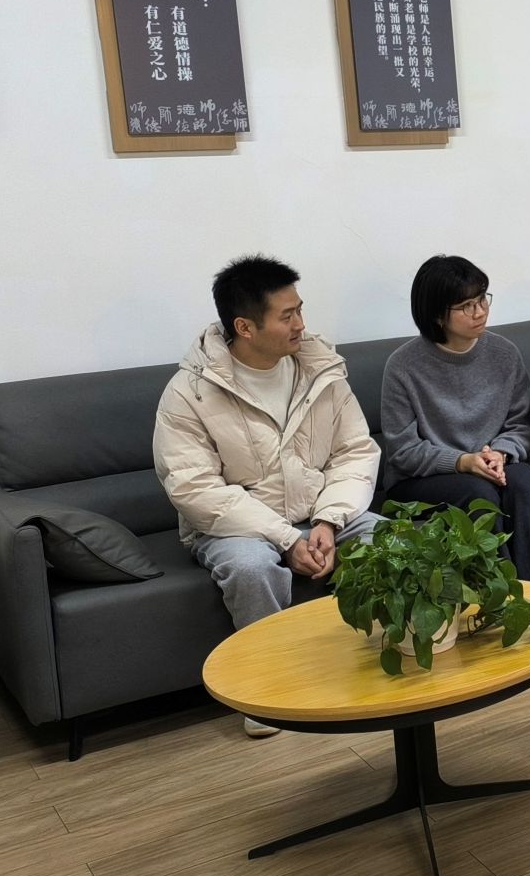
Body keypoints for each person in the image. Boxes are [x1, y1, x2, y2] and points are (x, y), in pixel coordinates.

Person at [153, 255, 381, 737]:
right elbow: (194, 488)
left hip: (318, 510)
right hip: (234, 526)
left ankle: (382, 660)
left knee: (392, 541)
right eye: (287, 315)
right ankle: (267, 691)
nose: (301, 324)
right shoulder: (189, 392)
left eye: (300, 310)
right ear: (245, 327)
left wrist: (329, 521)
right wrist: (286, 538)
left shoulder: (321, 370)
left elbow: (355, 451)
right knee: (252, 567)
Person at [378, 255, 530, 587]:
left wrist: (501, 453)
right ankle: (502, 600)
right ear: (437, 315)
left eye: (482, 299)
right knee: (478, 493)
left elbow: (523, 423)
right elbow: (403, 451)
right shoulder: (402, 366)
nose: (480, 311)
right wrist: (462, 462)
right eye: (466, 306)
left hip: (493, 462)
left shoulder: (504, 353)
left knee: (522, 481)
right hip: (422, 479)